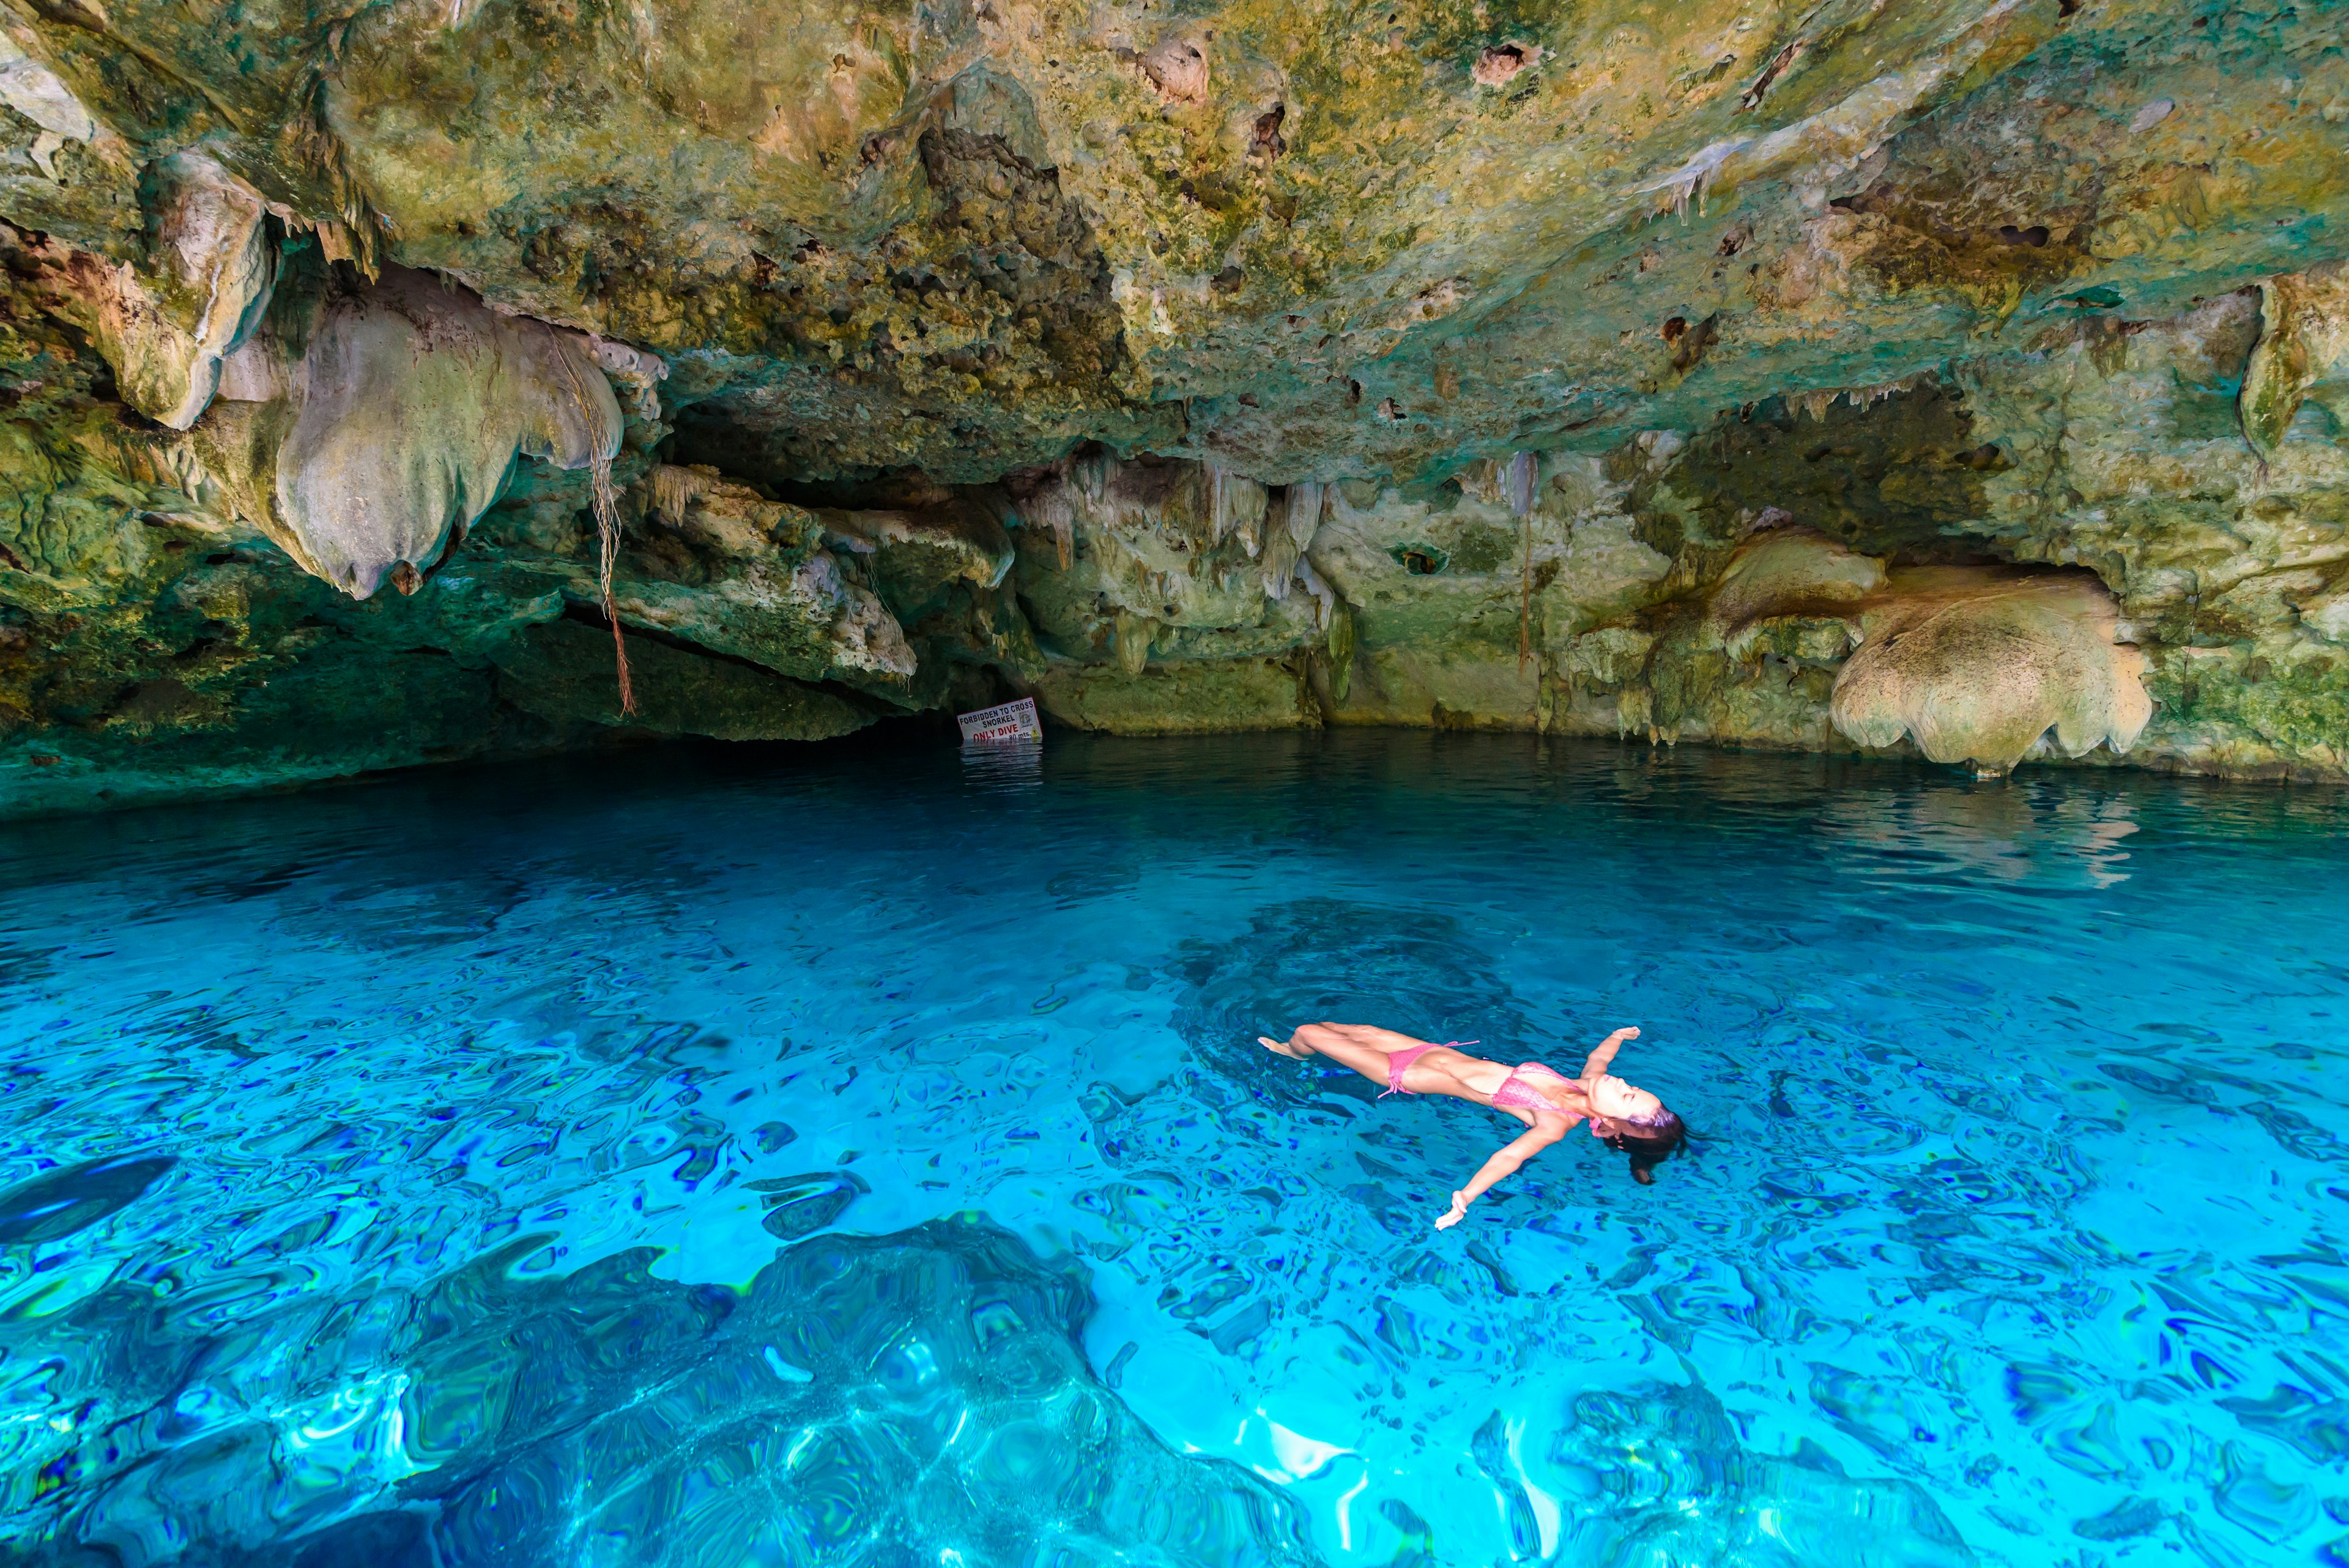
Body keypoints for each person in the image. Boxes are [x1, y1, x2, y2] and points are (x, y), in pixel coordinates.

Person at [1256, 1022, 1685, 1227]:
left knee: (1309, 1033)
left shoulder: (1555, 1121)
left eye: (1627, 1094)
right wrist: (1616, 1035)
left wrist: (1466, 1196)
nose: (1623, 1082)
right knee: (1341, 1027)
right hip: (1426, 1049)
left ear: (1612, 1123)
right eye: (1633, 1085)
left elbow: (1510, 1156)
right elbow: (1600, 1060)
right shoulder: (1588, 1085)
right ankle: (1298, 1049)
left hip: (1402, 1072)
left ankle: (1294, 1054)